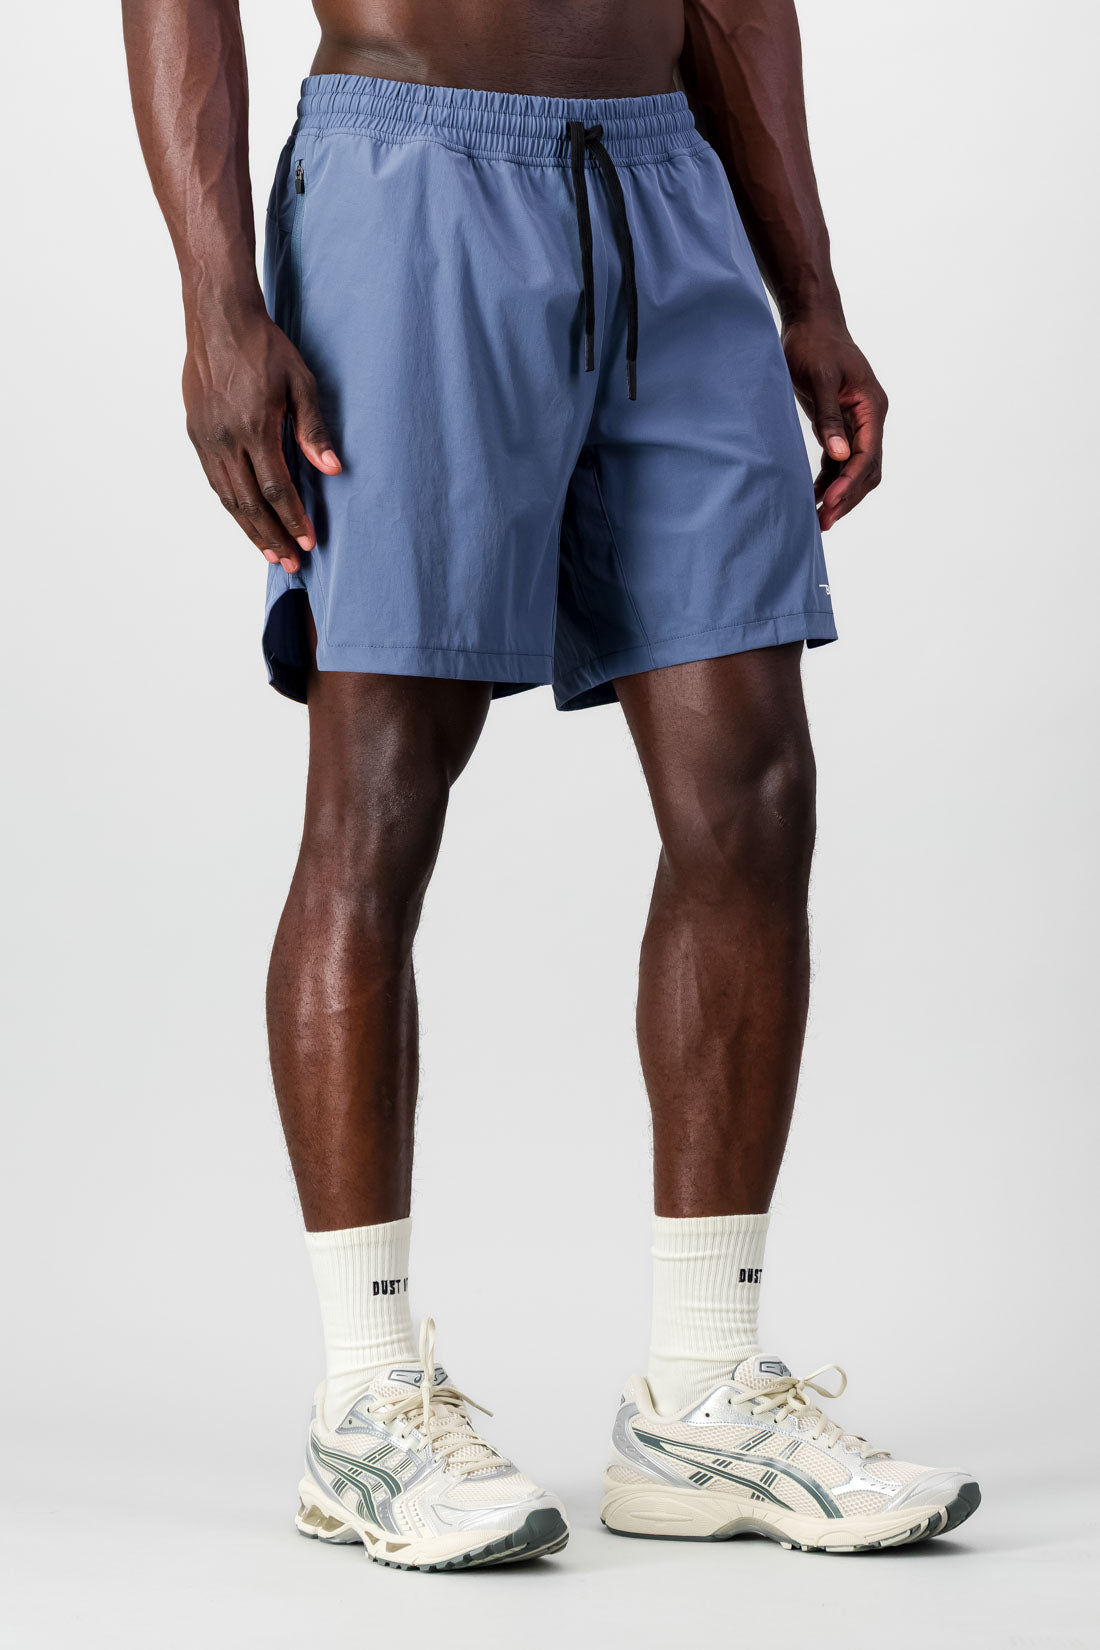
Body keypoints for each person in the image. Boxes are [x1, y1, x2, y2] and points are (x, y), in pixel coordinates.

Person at [122, 0, 979, 1571]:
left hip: (668, 189)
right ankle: (369, 1402)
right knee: (382, 790)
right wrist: (217, 304)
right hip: (410, 179)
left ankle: (703, 1395)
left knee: (751, 783)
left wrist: (809, 292)